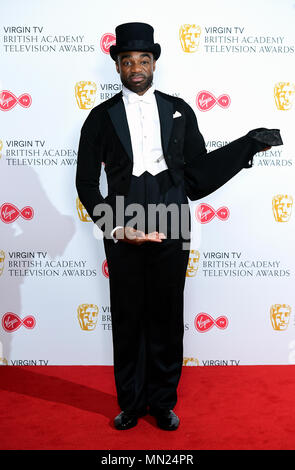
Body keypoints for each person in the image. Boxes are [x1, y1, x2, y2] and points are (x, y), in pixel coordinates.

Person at [76, 22, 282, 431]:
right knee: (129, 315)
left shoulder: (180, 109)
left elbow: (198, 177)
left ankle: (162, 402)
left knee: (168, 316)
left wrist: (246, 145)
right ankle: (131, 404)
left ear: (154, 64)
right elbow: (85, 183)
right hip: (123, 221)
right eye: (127, 61)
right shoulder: (100, 117)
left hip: (172, 218)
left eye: (143, 60)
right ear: (117, 67)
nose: (136, 67)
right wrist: (116, 228)